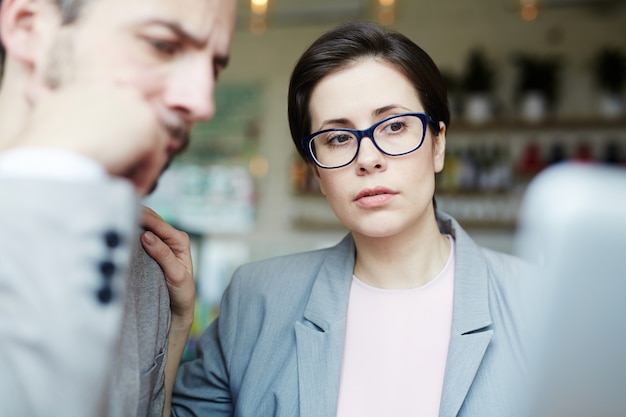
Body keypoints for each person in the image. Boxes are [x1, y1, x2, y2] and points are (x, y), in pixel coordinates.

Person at [170, 21, 535, 416]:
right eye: (338, 138)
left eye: (395, 126)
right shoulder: (257, 299)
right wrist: (177, 327)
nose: (368, 159)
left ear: (437, 145)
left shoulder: (539, 302)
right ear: (317, 174)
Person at [0, 0, 236, 415]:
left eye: (213, 67)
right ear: (28, 27)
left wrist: (175, 328)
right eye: (163, 45)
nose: (203, 102)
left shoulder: (140, 261)